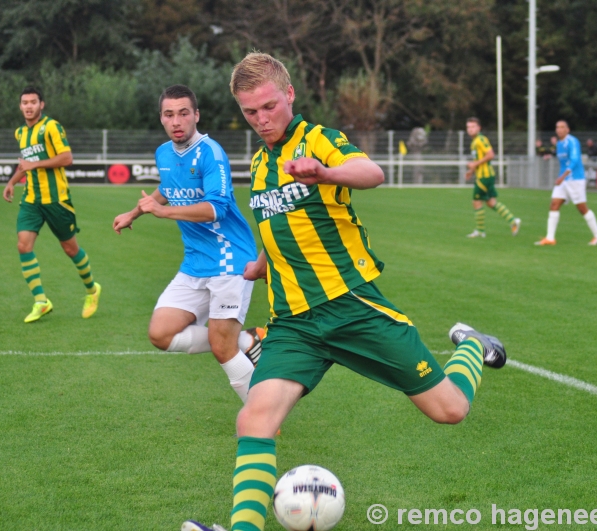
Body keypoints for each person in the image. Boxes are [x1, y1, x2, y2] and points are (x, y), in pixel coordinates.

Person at [182, 52, 507, 531]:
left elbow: (371, 173)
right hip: (294, 322)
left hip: (350, 306)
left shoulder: (320, 140)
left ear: (289, 94)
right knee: (254, 419)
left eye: (269, 106)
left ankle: (474, 347)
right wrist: (260, 266)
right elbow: (278, 226)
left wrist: (326, 173)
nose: (262, 119)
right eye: (250, 112)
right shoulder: (258, 161)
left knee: (450, 411)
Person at [112, 84, 263, 403]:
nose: (176, 120)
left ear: (196, 115)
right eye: (169, 114)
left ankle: (260, 412)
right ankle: (248, 340)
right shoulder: (163, 153)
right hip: (195, 262)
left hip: (229, 258)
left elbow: (215, 207)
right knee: (161, 333)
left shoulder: (211, 153)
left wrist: (163, 213)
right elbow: (168, 189)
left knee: (223, 348)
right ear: (161, 118)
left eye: (183, 113)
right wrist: (133, 212)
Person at [2, 87, 101, 323]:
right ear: (20, 106)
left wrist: (33, 166)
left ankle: (92, 289)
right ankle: (41, 302)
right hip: (31, 200)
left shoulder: (51, 127)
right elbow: (26, 163)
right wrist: (12, 182)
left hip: (56, 200)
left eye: (33, 102)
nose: (28, 106)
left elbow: (67, 158)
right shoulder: (20, 133)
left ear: (41, 105)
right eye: (24, 102)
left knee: (70, 249)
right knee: (23, 246)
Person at [535, 120, 597, 246]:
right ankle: (550, 238)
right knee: (554, 204)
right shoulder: (559, 144)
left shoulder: (572, 142)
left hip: (575, 179)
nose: (559, 129)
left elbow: (574, 160)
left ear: (568, 130)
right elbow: (562, 159)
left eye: (562, 127)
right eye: (557, 127)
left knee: (582, 208)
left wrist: (563, 176)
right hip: (563, 179)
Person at [464, 117, 521, 238]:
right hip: (484, 175)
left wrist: (474, 164)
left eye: (473, 127)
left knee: (476, 201)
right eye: (468, 127)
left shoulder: (481, 139)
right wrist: (471, 170)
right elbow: (478, 160)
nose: (470, 129)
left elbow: (490, 155)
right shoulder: (474, 142)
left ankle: (480, 231)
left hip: (485, 176)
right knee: (490, 202)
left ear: (479, 128)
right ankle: (513, 221)